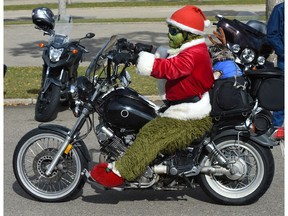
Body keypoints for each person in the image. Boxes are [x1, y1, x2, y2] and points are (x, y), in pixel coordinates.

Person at [90, 5, 214, 188]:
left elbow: (171, 68)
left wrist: (143, 62)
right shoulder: (189, 49)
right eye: (169, 29)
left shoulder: (194, 54)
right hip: (182, 106)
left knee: (150, 134)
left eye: (174, 31)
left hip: (189, 114)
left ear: (188, 34)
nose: (170, 34)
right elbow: (172, 58)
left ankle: (120, 172)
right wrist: (138, 50)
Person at [266, 2, 284, 127]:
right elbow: (272, 34)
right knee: (283, 96)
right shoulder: (281, 9)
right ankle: (276, 128)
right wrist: (284, 52)